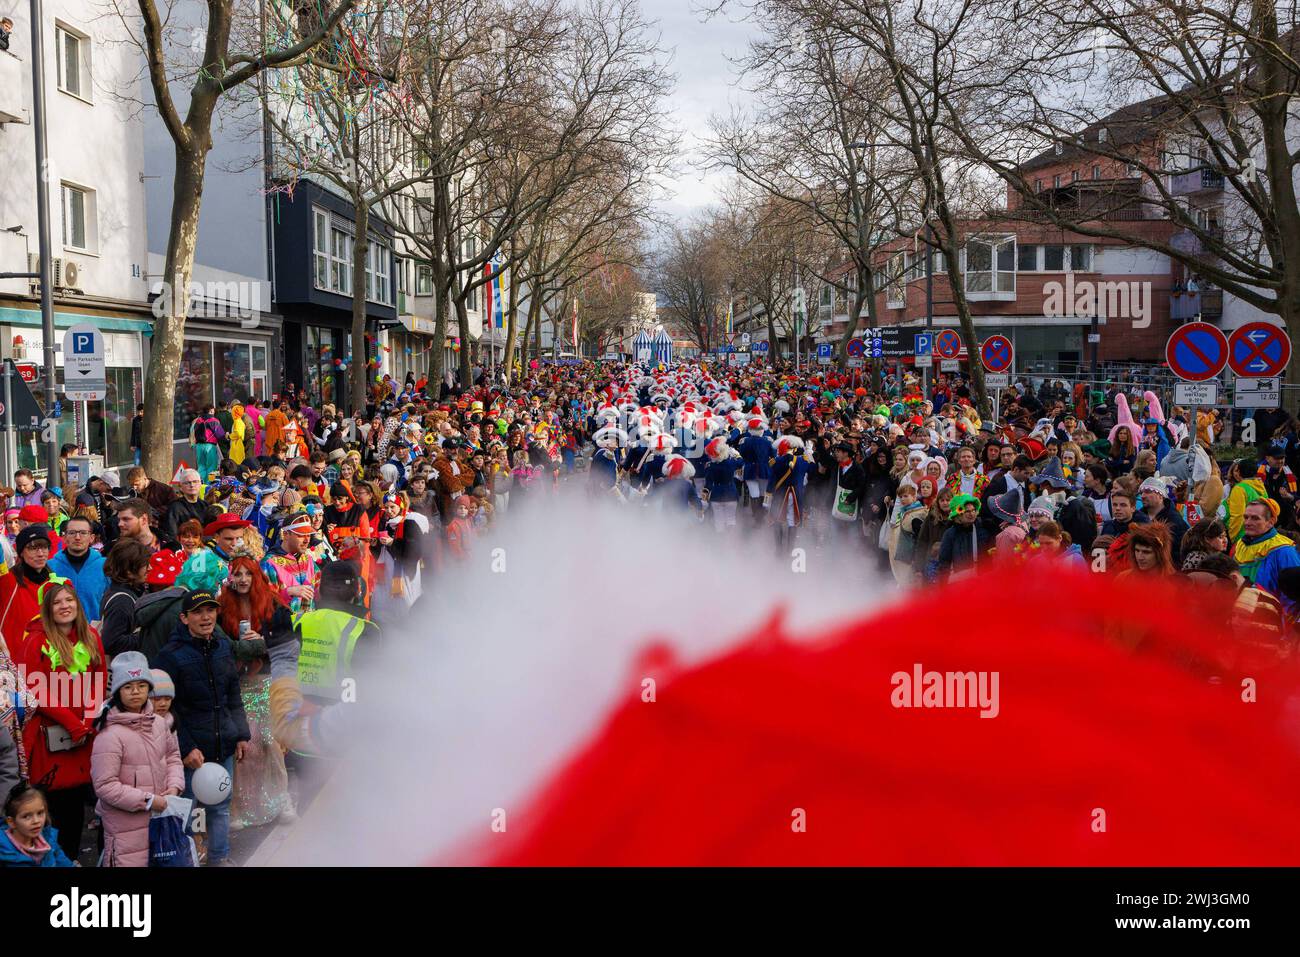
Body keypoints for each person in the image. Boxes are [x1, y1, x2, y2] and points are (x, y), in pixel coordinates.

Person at [154, 588, 250, 866]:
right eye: (197, 612)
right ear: (184, 618)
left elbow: (234, 694)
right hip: (191, 751)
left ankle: (220, 858)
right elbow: (164, 709)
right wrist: (186, 747)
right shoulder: (169, 656)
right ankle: (188, 860)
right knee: (187, 811)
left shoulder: (223, 647)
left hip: (224, 744)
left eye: (210, 610)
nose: (205, 617)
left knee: (220, 808)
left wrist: (241, 734)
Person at [19, 579, 106, 860]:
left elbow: (98, 678)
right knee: (50, 807)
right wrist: (71, 721)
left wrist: (89, 721)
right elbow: (34, 688)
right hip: (49, 738)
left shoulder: (91, 636)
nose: (65, 606)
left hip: (83, 734)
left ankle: (71, 858)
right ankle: (50, 861)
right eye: (57, 602)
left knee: (76, 805)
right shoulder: (35, 641)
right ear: (47, 609)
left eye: (69, 600)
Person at [218, 557, 297, 830]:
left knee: (270, 742)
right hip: (238, 684)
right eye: (236, 574)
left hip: (267, 680)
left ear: (256, 576)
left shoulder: (273, 605)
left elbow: (287, 644)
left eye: (247, 574)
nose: (242, 580)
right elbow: (220, 644)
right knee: (243, 746)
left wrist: (262, 643)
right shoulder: (221, 608)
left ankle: (281, 799)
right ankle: (238, 806)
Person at [90, 652, 185, 866]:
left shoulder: (159, 724)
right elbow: (105, 786)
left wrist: (175, 786)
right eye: (128, 687)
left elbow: (172, 757)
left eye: (142, 686)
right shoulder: (110, 735)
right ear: (118, 692)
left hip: (161, 823)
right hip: (126, 831)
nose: (136, 692)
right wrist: (148, 800)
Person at [1233, 498, 1300, 615]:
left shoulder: (1284, 550)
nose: (1247, 522)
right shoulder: (1241, 544)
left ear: (1271, 521)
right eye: (1246, 517)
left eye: (1255, 518)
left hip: (1271, 620)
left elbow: (1293, 597)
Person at [0, 525, 55, 654]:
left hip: (47, 662)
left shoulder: (57, 584)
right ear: (21, 553)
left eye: (44, 547)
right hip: (14, 663)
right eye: (33, 548)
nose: (40, 553)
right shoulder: (8, 581)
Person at [98, 540, 157, 656]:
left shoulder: (121, 593)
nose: (150, 568)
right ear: (129, 571)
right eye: (145, 564)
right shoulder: (122, 601)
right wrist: (147, 634)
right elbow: (112, 643)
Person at [47, 516, 107, 625]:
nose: (77, 537)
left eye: (83, 533)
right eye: (72, 533)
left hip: (93, 634)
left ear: (91, 538)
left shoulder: (105, 566)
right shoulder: (50, 567)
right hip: (58, 634)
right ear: (64, 538)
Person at [0, 784, 77, 867]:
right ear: (11, 822)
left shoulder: (49, 838)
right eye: (26, 816)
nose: (36, 821)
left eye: (40, 813)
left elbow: (64, 863)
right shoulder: (4, 852)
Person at [937, 494, 990, 582]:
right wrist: (943, 587)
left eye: (973, 510)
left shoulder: (981, 530)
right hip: (959, 583)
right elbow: (944, 563)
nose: (972, 514)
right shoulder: (950, 534)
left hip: (979, 581)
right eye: (967, 511)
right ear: (958, 515)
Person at [165, 469, 211, 540]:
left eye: (195, 482)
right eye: (187, 483)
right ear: (180, 487)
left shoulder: (206, 506)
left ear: (200, 484)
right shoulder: (175, 507)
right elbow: (172, 533)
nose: (192, 485)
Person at [191, 406, 226, 481]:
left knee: (201, 466)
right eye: (213, 410)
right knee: (212, 467)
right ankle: (210, 483)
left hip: (199, 446)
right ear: (210, 411)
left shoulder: (198, 420)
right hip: (210, 446)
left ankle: (201, 483)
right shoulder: (213, 420)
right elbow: (220, 434)